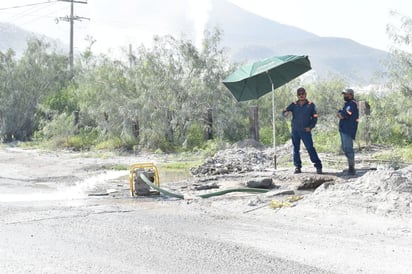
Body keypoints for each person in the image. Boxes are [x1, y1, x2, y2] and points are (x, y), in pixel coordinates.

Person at [282, 87, 322, 174]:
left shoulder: (311, 105)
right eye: (299, 94)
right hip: (295, 130)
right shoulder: (294, 104)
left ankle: (318, 166)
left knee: (310, 148)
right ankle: (297, 167)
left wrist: (310, 127)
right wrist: (285, 113)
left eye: (302, 94)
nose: (301, 96)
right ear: (297, 95)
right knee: (296, 149)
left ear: (305, 94)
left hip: (305, 131)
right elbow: (284, 112)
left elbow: (315, 117)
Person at [337, 88, 359, 175]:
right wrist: (340, 113)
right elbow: (341, 114)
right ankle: (350, 166)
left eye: (345, 94)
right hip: (344, 129)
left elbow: (343, 115)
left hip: (348, 130)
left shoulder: (352, 104)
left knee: (348, 148)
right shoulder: (347, 104)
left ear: (350, 95)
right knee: (345, 148)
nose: (344, 96)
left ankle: (351, 168)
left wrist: (340, 114)